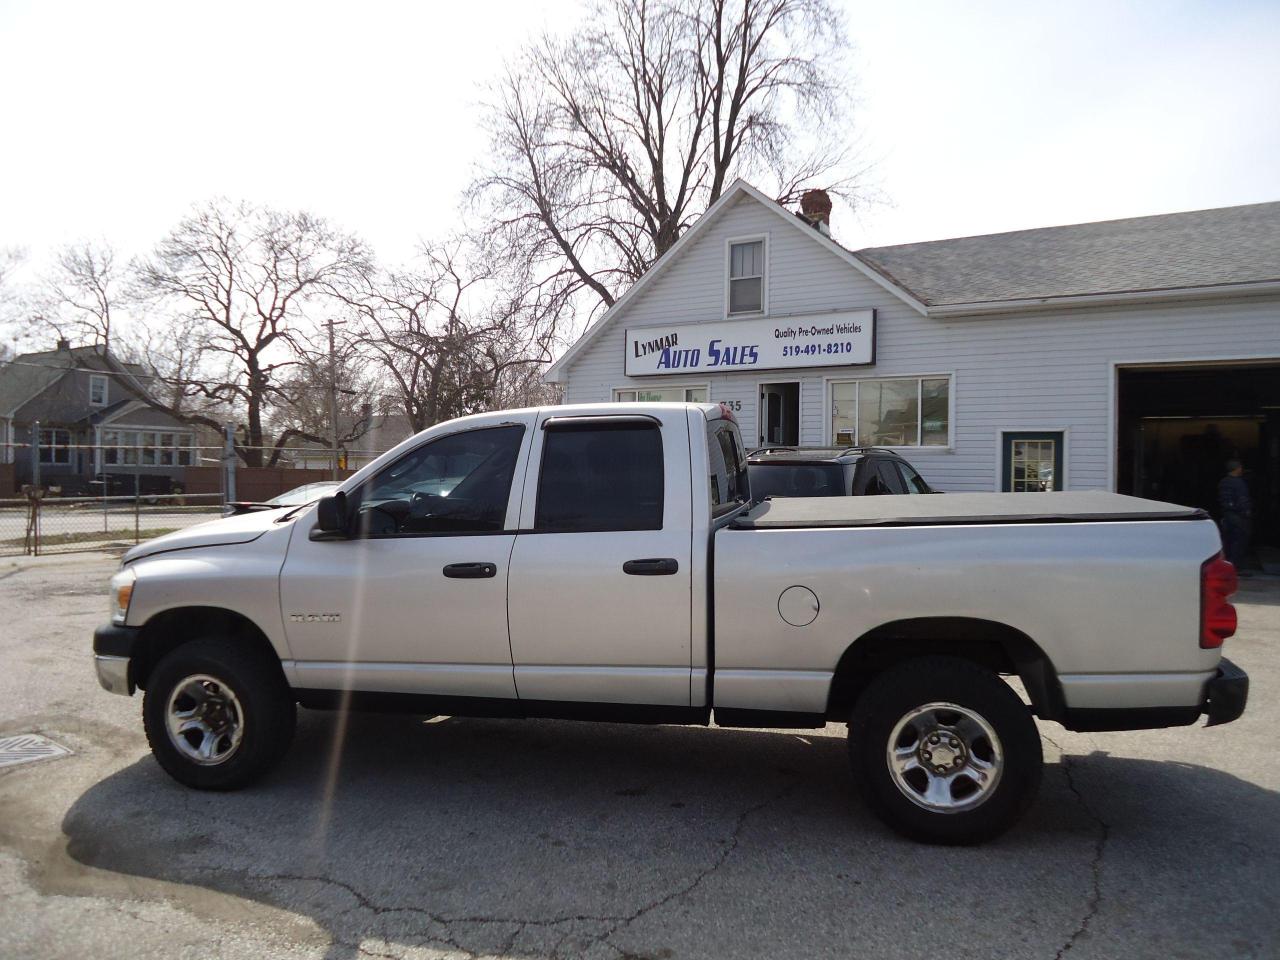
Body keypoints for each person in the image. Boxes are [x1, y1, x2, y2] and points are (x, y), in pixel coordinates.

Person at [1218, 459, 1252, 575]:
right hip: (1238, 517)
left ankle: (1227, 567)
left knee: (1228, 542)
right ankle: (1234, 568)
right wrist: (1246, 513)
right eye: (1240, 468)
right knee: (1238, 543)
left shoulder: (1223, 482)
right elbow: (1243, 501)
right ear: (1237, 469)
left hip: (1227, 516)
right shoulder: (1239, 483)